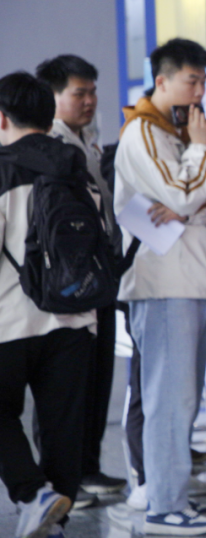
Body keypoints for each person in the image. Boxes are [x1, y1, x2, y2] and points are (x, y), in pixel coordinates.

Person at [113, 38, 206, 536]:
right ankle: (163, 504)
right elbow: (183, 192)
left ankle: (172, 495)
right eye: (191, 80)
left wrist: (185, 203)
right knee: (167, 397)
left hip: (191, 276)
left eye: (203, 81)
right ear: (161, 80)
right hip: (163, 281)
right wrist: (199, 157)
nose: (200, 91)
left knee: (184, 396)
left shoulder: (181, 131)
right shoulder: (142, 131)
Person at [0, 72, 98, 538]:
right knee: (63, 425)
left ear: (2, 119)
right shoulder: (77, 166)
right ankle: (55, 528)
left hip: (10, 320)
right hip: (75, 316)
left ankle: (33, 495)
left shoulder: (2, 169)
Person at [36, 55, 127, 509]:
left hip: (100, 275)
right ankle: (62, 478)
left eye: (92, 92)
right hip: (69, 280)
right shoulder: (48, 146)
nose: (90, 101)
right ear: (52, 97)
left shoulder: (87, 140)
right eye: (79, 93)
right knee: (66, 387)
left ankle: (87, 467)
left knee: (97, 376)